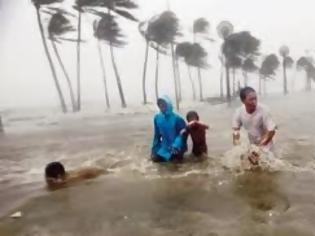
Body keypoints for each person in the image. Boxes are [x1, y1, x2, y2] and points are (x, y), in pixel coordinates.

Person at [232, 87, 277, 165]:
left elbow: (271, 131)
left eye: (255, 98)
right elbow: (236, 131)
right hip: (252, 144)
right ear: (243, 101)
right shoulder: (239, 112)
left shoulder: (264, 109)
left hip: (266, 143)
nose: (254, 102)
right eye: (251, 99)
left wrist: (259, 148)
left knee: (268, 167)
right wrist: (238, 147)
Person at [151, 96, 187, 162]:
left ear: (168, 104)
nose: (161, 106)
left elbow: (182, 135)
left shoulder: (177, 118)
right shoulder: (157, 118)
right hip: (164, 148)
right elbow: (157, 135)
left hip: (177, 147)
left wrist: (176, 145)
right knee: (155, 162)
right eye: (159, 104)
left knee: (175, 167)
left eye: (163, 104)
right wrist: (154, 149)